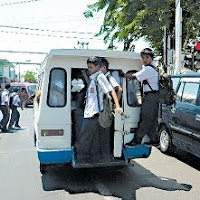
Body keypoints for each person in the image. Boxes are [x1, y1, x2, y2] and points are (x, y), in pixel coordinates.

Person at [76, 56, 123, 162]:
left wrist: (118, 106)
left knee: (85, 138)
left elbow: (111, 91)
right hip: (90, 113)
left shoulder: (100, 77)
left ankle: (81, 158)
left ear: (98, 67)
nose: (89, 69)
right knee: (96, 138)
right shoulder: (93, 78)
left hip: (94, 114)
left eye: (91, 67)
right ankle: (99, 157)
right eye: (88, 67)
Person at [124, 48, 159, 146]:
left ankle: (137, 140)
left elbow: (133, 76)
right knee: (151, 119)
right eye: (143, 58)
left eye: (147, 57)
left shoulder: (148, 69)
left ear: (151, 58)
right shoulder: (154, 68)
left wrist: (123, 74)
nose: (144, 60)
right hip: (154, 96)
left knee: (146, 118)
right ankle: (154, 139)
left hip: (151, 96)